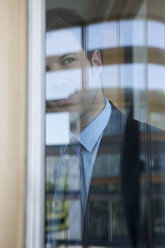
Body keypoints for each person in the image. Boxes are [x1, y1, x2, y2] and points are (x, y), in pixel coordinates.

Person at [45, 8, 164, 248]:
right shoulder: (38, 153)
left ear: (96, 63)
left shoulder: (155, 149)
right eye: (45, 70)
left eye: (67, 61)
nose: (56, 80)